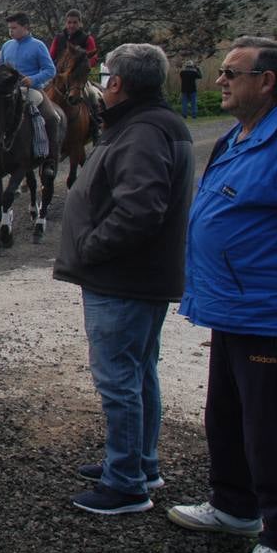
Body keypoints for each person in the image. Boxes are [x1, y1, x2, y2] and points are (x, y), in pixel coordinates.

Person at [53, 43, 194, 515]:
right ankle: (138, 462)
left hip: (123, 278)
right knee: (138, 373)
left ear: (116, 83)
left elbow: (140, 209)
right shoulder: (147, 123)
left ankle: (126, 483)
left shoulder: (144, 131)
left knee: (118, 381)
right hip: (135, 276)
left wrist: (92, 249)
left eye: (107, 75)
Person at [168, 36, 277, 553]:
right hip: (230, 307)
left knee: (272, 428)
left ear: (267, 81)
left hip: (271, 313)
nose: (219, 81)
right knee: (227, 415)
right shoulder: (238, 135)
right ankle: (234, 506)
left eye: (232, 73)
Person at [0, 12, 57, 173]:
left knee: (51, 117)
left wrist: (33, 79)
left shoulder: (38, 46)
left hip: (31, 89)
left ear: (25, 27)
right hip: (7, 90)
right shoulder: (7, 45)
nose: (11, 31)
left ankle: (49, 159)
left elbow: (50, 70)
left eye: (14, 28)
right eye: (9, 28)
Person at [48, 8, 103, 143]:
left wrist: (82, 67)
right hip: (60, 77)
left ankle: (96, 127)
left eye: (74, 22)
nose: (71, 25)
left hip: (78, 79)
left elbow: (93, 57)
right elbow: (51, 56)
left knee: (93, 95)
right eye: (69, 22)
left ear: (80, 23)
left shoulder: (87, 39)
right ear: (66, 23)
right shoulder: (59, 38)